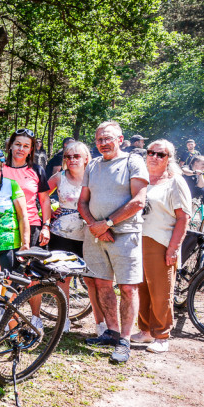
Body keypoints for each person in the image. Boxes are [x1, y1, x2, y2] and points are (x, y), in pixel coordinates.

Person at [77, 121, 149, 364]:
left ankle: (125, 340)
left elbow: (139, 200)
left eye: (108, 138)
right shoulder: (93, 165)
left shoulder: (133, 162)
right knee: (102, 285)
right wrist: (96, 228)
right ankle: (112, 331)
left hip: (125, 233)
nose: (103, 143)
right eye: (98, 139)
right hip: (95, 235)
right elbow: (82, 202)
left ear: (120, 139)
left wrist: (106, 223)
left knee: (128, 287)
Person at [133, 139, 190, 354]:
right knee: (142, 289)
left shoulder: (175, 182)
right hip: (138, 239)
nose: (154, 157)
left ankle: (162, 334)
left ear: (169, 158)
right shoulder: (142, 179)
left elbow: (183, 218)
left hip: (161, 241)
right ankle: (146, 330)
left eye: (161, 154)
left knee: (161, 291)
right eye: (151, 152)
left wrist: (173, 248)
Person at [47, 141, 91, 310]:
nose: (72, 160)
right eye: (68, 157)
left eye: (76, 156)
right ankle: (63, 317)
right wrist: (49, 209)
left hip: (88, 234)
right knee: (62, 277)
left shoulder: (93, 177)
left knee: (90, 278)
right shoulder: (60, 177)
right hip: (61, 234)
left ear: (86, 158)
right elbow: (40, 194)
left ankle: (100, 322)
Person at [3, 128, 51, 248]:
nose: (21, 149)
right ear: (10, 146)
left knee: (30, 266)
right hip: (3, 226)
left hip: (31, 225)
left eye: (26, 146)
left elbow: (45, 200)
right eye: (18, 144)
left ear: (30, 150)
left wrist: (46, 226)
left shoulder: (37, 170)